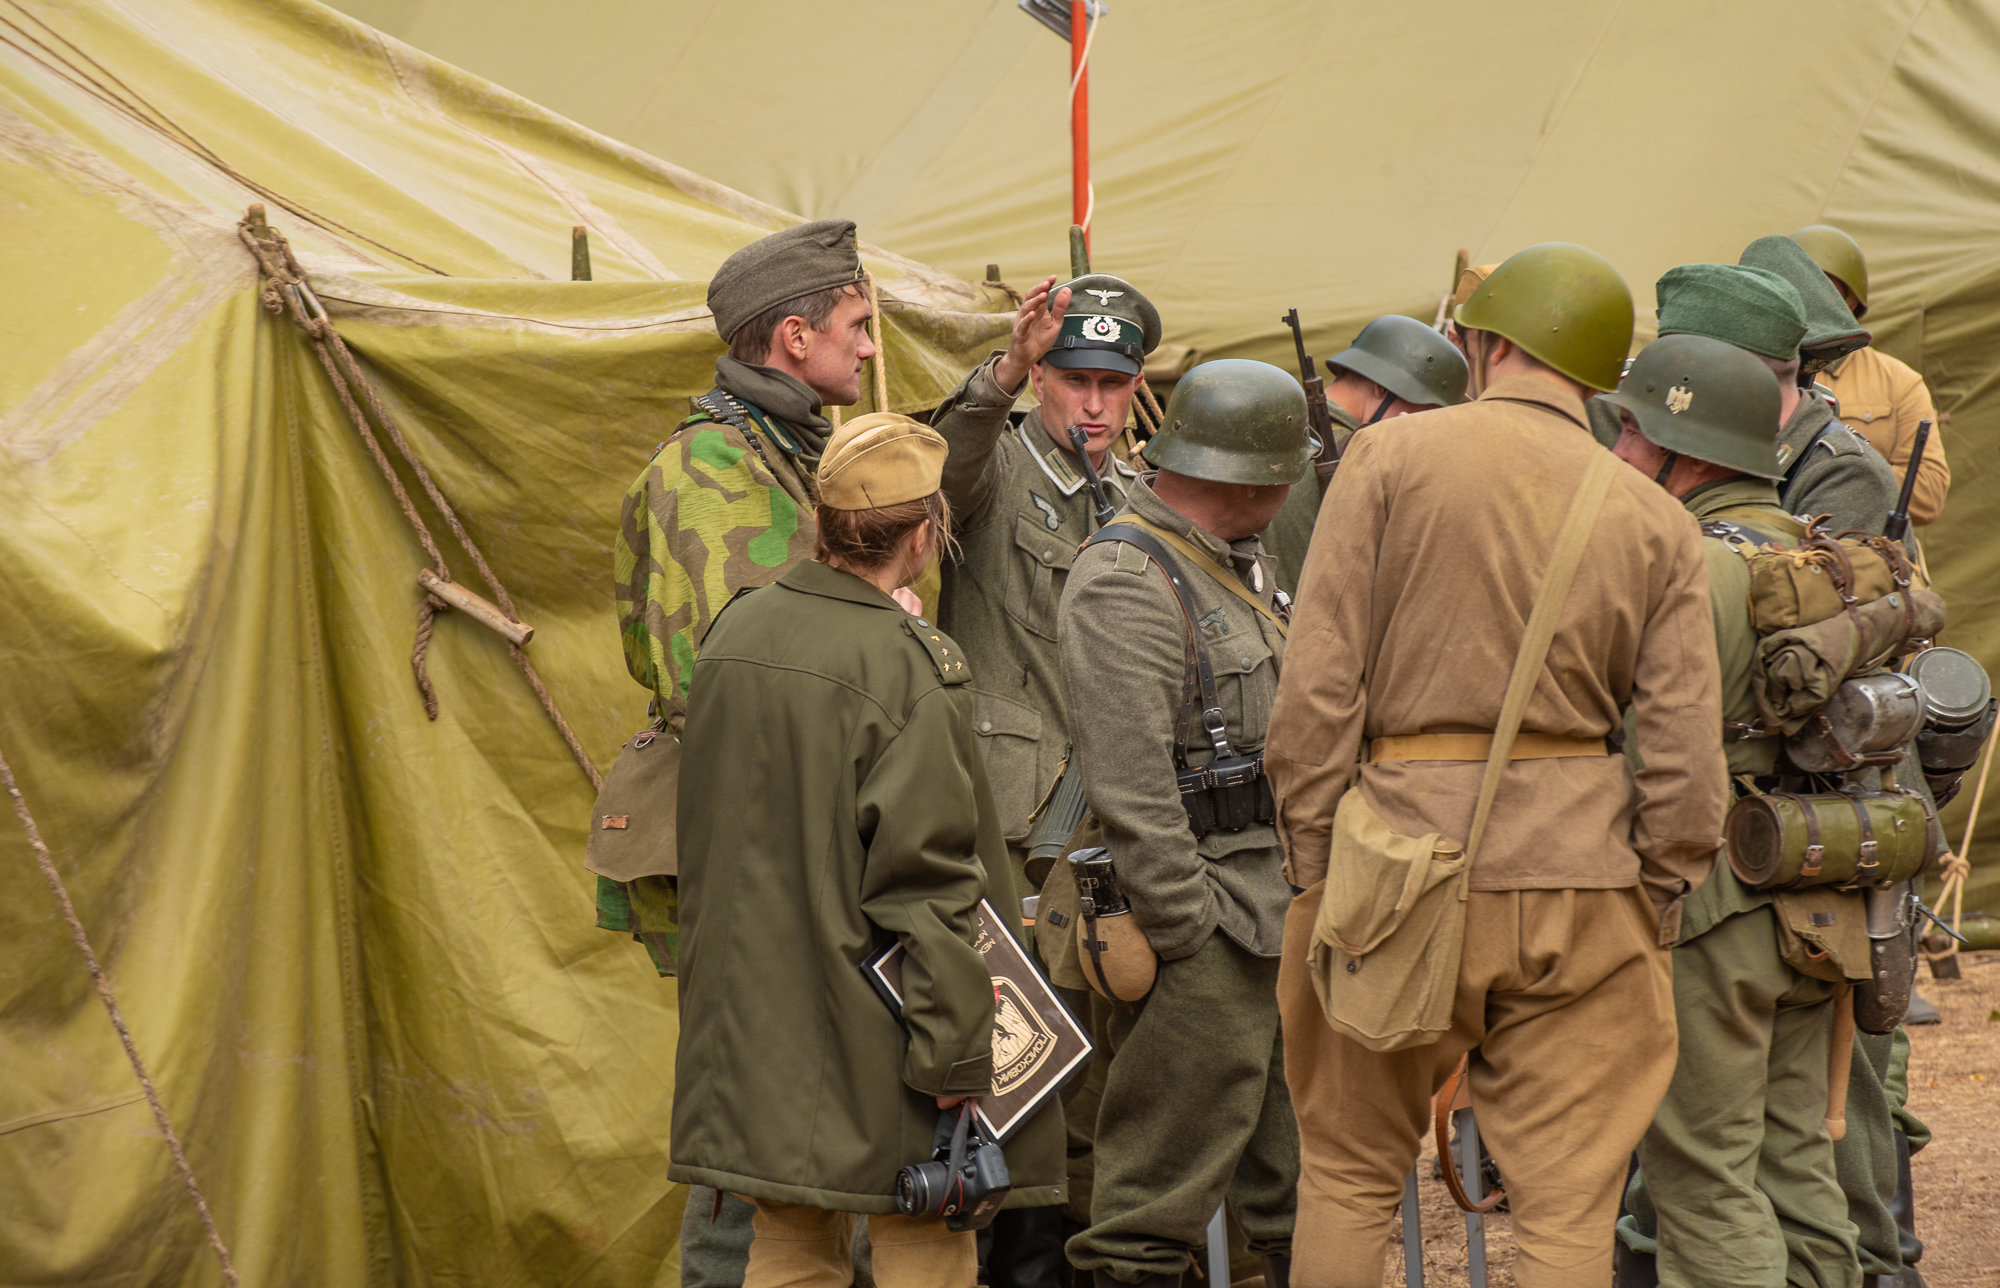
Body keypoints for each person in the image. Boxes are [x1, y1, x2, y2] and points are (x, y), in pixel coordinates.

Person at [1266, 242, 1728, 1288]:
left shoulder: (1386, 459)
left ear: (1483, 343)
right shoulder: (1655, 519)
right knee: (1568, 1206)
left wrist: (1314, 865)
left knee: (1344, 1175)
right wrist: (1654, 885)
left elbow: (1316, 697)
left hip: (1390, 865)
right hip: (1583, 877)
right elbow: (1682, 755)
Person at [671, 412, 1065, 1288]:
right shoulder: (910, 667)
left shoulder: (734, 633)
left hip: (751, 1017)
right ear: (924, 535)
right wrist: (959, 1060)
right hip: (882, 1025)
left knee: (788, 1243)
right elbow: (925, 888)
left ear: (823, 521)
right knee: (926, 1241)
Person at [606, 218, 881, 1285]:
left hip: (812, 838)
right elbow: (753, 686)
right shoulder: (712, 470)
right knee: (751, 1150)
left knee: (820, 1138)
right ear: (795, 334)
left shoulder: (792, 448)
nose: (867, 349)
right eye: (855, 328)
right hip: (759, 848)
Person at [1600, 330, 1867, 1288]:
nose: (1621, 453)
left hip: (1710, 904)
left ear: (1690, 449)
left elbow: (1633, 741)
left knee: (1702, 1179)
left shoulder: (1683, 561)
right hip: (1821, 884)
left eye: (1634, 435)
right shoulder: (1822, 551)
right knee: (1797, 1160)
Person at [927, 271, 1163, 1281]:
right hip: (1013, 833)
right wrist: (1000, 375)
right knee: (1014, 1077)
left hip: (1114, 838)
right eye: (1072, 380)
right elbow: (935, 476)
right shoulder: (994, 472)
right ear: (1045, 380)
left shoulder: (1148, 494)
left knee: (1101, 1080)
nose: (1094, 404)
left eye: (1114, 382)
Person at [1056, 359, 1310, 1288]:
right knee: (1152, 1205)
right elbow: (1131, 789)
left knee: (1300, 1193)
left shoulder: (1236, 567)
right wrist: (1184, 930)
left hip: (1272, 912)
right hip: (1204, 925)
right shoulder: (1126, 579)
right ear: (1244, 476)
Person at [1264, 314, 1469, 595]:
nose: (1429, 425)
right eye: (1429, 410)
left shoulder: (1271, 426)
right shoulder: (1369, 456)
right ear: (1383, 386)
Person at [1791, 224, 1951, 525]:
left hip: (1864, 549)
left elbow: (1929, 492)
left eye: (1820, 284)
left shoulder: (1899, 382)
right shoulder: (1760, 366)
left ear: (1849, 301)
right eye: (1797, 282)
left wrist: (1838, 468)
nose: (1806, 294)